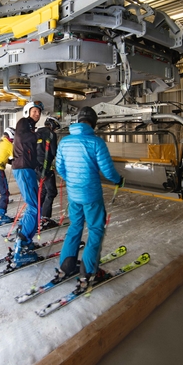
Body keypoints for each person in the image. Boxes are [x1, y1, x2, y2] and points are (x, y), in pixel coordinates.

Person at [55, 106, 124, 292]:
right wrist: (119, 180)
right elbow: (108, 171)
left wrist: (72, 181)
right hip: (92, 195)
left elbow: (60, 168)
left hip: (73, 194)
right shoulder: (96, 143)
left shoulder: (64, 141)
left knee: (75, 227)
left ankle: (66, 265)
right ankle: (87, 273)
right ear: (93, 123)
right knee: (95, 229)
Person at [11, 100, 44, 267]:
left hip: (27, 168)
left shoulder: (30, 127)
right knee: (34, 207)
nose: (37, 114)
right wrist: (39, 135)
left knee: (35, 206)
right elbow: (22, 138)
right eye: (34, 111)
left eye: (39, 112)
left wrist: (39, 167)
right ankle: (22, 241)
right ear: (27, 111)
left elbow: (30, 151)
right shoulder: (23, 123)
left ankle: (26, 238)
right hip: (23, 168)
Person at [36, 117, 60, 228]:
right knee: (51, 191)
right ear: (53, 125)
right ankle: (45, 218)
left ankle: (37, 215)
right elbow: (54, 152)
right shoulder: (51, 134)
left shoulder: (37, 133)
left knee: (43, 191)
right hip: (46, 167)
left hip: (36, 166)